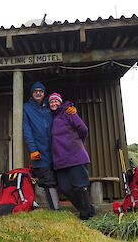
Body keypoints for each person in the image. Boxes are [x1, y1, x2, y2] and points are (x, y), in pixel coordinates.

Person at [23, 82, 76, 210]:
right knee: (48, 180)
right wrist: (33, 149)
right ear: (32, 93)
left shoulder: (50, 105)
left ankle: (80, 206)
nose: (38, 93)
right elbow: (27, 130)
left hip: (56, 150)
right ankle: (55, 210)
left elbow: (61, 109)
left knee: (64, 181)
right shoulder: (26, 108)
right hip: (40, 152)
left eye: (40, 91)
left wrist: (72, 110)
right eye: (35, 91)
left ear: (44, 93)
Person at [48, 92, 96, 220]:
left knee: (79, 186)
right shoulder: (51, 117)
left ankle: (86, 215)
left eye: (56, 101)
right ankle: (89, 209)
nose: (53, 104)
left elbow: (83, 129)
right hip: (60, 160)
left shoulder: (69, 113)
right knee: (64, 187)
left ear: (60, 102)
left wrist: (77, 143)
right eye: (51, 102)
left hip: (76, 157)